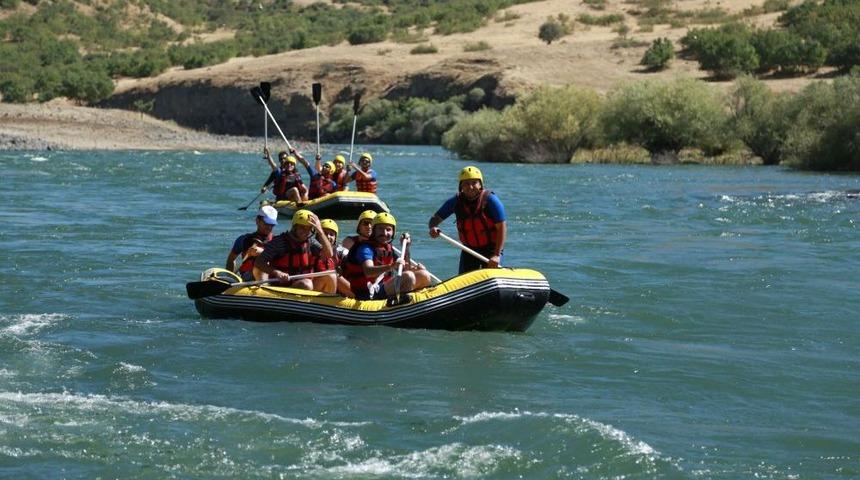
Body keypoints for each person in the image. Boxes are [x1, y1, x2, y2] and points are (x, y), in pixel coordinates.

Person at [428, 166, 507, 273]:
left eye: (474, 183)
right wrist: (433, 227)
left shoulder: (491, 200)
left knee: (490, 275)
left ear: (480, 185)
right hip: (469, 250)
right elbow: (435, 218)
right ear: (461, 186)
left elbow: (502, 228)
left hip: (492, 249)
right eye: (466, 183)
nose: (470, 187)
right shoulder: (456, 202)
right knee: (464, 279)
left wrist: (497, 255)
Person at [341, 212, 432, 301]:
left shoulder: (387, 248)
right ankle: (402, 306)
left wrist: (406, 248)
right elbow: (368, 271)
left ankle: (415, 302)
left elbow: (405, 269)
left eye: (388, 230)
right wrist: (391, 266)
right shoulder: (365, 248)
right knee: (408, 276)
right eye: (380, 229)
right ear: (374, 231)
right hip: (367, 292)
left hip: (383, 288)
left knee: (424, 274)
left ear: (393, 232)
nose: (384, 233)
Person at [253, 209, 335, 293]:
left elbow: (329, 254)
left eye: (309, 228)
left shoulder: (311, 243)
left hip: (304, 286)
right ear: (295, 227)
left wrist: (320, 230)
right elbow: (259, 262)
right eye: (302, 227)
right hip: (282, 288)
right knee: (307, 284)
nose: (306, 232)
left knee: (331, 276)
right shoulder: (280, 242)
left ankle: (327, 304)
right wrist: (277, 272)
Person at [225, 205, 277, 281]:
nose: (269, 227)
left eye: (272, 224)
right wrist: (230, 277)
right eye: (266, 223)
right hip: (249, 277)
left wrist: (262, 252)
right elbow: (231, 259)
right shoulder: (244, 240)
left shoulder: (278, 241)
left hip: (271, 276)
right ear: (257, 221)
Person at [316, 218, 353, 297]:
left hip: (335, 287)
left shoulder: (341, 252)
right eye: (325, 233)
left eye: (331, 234)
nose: (328, 237)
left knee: (336, 276)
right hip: (316, 284)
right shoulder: (312, 249)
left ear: (336, 237)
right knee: (332, 275)